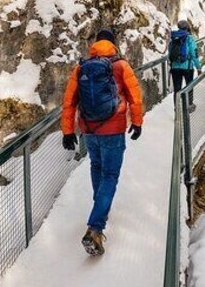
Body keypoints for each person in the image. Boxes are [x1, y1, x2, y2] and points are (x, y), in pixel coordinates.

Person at [61, 29, 143, 256]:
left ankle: (101, 209)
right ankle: (96, 227)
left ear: (95, 45)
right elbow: (135, 98)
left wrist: (68, 131)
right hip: (114, 129)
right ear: (114, 44)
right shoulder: (121, 66)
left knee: (96, 167)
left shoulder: (82, 67)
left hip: (89, 129)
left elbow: (69, 102)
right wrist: (137, 123)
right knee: (110, 175)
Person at [169, 20, 202, 111]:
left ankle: (177, 108)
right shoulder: (189, 38)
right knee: (189, 86)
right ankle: (189, 105)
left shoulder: (173, 37)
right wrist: (198, 67)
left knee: (177, 88)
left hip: (175, 67)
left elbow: (170, 53)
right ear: (187, 27)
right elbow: (194, 54)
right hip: (187, 67)